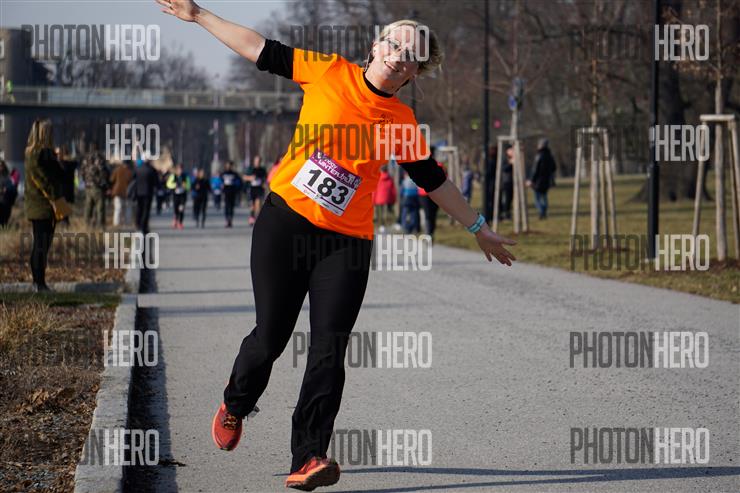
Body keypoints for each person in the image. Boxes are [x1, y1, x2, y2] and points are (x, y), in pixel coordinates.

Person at [159, 3, 516, 490]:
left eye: (410, 56)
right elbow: (258, 48)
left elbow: (433, 181)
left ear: (413, 73)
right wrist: (199, 15)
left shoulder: (401, 121)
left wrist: (478, 226)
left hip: (346, 243)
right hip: (285, 223)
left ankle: (308, 456)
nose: (399, 55)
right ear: (376, 46)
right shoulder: (327, 71)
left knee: (329, 347)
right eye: (394, 44)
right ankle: (236, 401)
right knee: (271, 337)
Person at [24, 119, 66, 292]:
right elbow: (50, 178)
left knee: (39, 245)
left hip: (36, 205)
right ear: (46, 134)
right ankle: (39, 283)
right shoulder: (43, 153)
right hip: (45, 205)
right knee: (42, 245)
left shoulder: (31, 152)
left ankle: (38, 282)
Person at [527, 138, 557, 220]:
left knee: (537, 198)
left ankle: (542, 212)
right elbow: (554, 167)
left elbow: (535, 169)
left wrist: (531, 180)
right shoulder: (550, 155)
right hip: (547, 180)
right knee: (544, 197)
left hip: (538, 181)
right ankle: (544, 212)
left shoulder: (539, 155)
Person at [81, 151, 110, 228]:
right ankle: (100, 225)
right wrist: (106, 186)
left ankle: (87, 224)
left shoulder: (86, 162)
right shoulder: (100, 161)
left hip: (88, 187)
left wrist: (86, 182)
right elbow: (105, 175)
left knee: (89, 207)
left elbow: (82, 174)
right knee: (99, 208)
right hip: (98, 188)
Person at [132, 158, 159, 234]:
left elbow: (133, 179)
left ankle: (138, 225)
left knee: (139, 209)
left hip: (138, 192)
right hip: (148, 193)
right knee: (146, 210)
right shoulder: (152, 170)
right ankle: (144, 226)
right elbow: (156, 182)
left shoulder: (137, 169)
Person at [244, 155, 267, 225]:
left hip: (259, 189)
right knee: (252, 206)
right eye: (256, 161)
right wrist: (250, 178)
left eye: (259, 161)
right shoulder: (250, 169)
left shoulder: (262, 170)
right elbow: (244, 177)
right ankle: (251, 217)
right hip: (252, 189)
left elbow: (265, 179)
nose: (257, 163)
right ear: (254, 161)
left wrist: (264, 184)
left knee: (258, 204)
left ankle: (258, 219)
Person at [110, 160, 134, 227]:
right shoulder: (130, 171)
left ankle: (116, 223)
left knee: (118, 208)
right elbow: (133, 182)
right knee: (128, 208)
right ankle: (127, 223)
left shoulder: (117, 170)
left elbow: (111, 180)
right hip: (128, 192)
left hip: (118, 192)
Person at [166, 163, 191, 229]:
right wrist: (175, 185)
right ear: (176, 170)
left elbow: (189, 186)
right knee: (176, 209)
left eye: (181, 169)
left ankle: (180, 223)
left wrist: (185, 186)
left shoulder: (185, 176)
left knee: (181, 209)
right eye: (179, 169)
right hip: (176, 195)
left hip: (183, 196)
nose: (180, 171)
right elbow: (168, 184)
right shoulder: (173, 176)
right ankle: (175, 220)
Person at [372, 165, 396, 232]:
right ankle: (389, 224)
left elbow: (374, 190)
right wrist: (393, 198)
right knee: (387, 212)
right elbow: (393, 190)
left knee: (379, 213)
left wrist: (373, 199)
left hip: (378, 199)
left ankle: (381, 225)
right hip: (387, 198)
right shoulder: (390, 178)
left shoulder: (377, 178)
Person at [220, 160, 240, 228]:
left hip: (232, 192)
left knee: (231, 207)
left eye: (229, 165)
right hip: (226, 192)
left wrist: (236, 188)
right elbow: (220, 181)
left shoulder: (234, 174)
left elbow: (239, 182)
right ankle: (226, 220)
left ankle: (230, 220)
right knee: (226, 206)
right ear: (225, 166)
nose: (228, 166)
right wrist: (221, 186)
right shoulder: (223, 174)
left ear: (231, 166)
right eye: (227, 165)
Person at [0, 160, 18, 227]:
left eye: (1, 166)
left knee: (4, 222)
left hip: (6, 203)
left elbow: (13, 188)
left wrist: (6, 189)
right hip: (2, 203)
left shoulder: (9, 178)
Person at [499, 145, 514, 220]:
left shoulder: (514, 158)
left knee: (510, 199)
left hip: (512, 182)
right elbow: (503, 168)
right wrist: (510, 163)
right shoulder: (504, 158)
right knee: (506, 199)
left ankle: (508, 213)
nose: (513, 151)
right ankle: (504, 213)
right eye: (511, 150)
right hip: (506, 182)